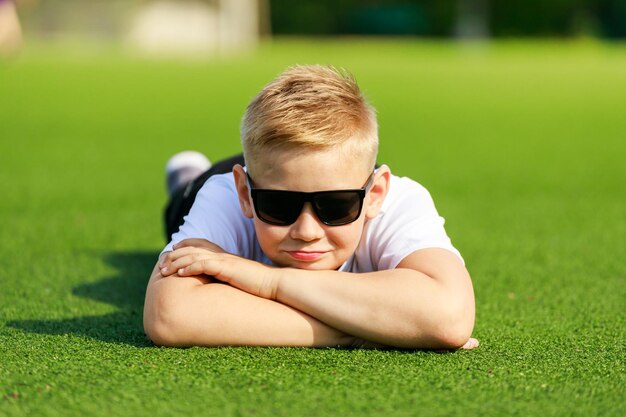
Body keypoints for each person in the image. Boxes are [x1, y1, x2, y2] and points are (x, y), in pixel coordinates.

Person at [144, 65, 478, 350]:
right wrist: (369, 326)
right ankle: (185, 178)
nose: (306, 231)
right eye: (278, 207)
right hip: (228, 178)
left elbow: (448, 315)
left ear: (374, 194)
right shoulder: (226, 197)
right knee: (187, 197)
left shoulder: (401, 202)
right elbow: (169, 315)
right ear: (246, 196)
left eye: (336, 206)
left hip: (272, 174)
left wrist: (269, 282)